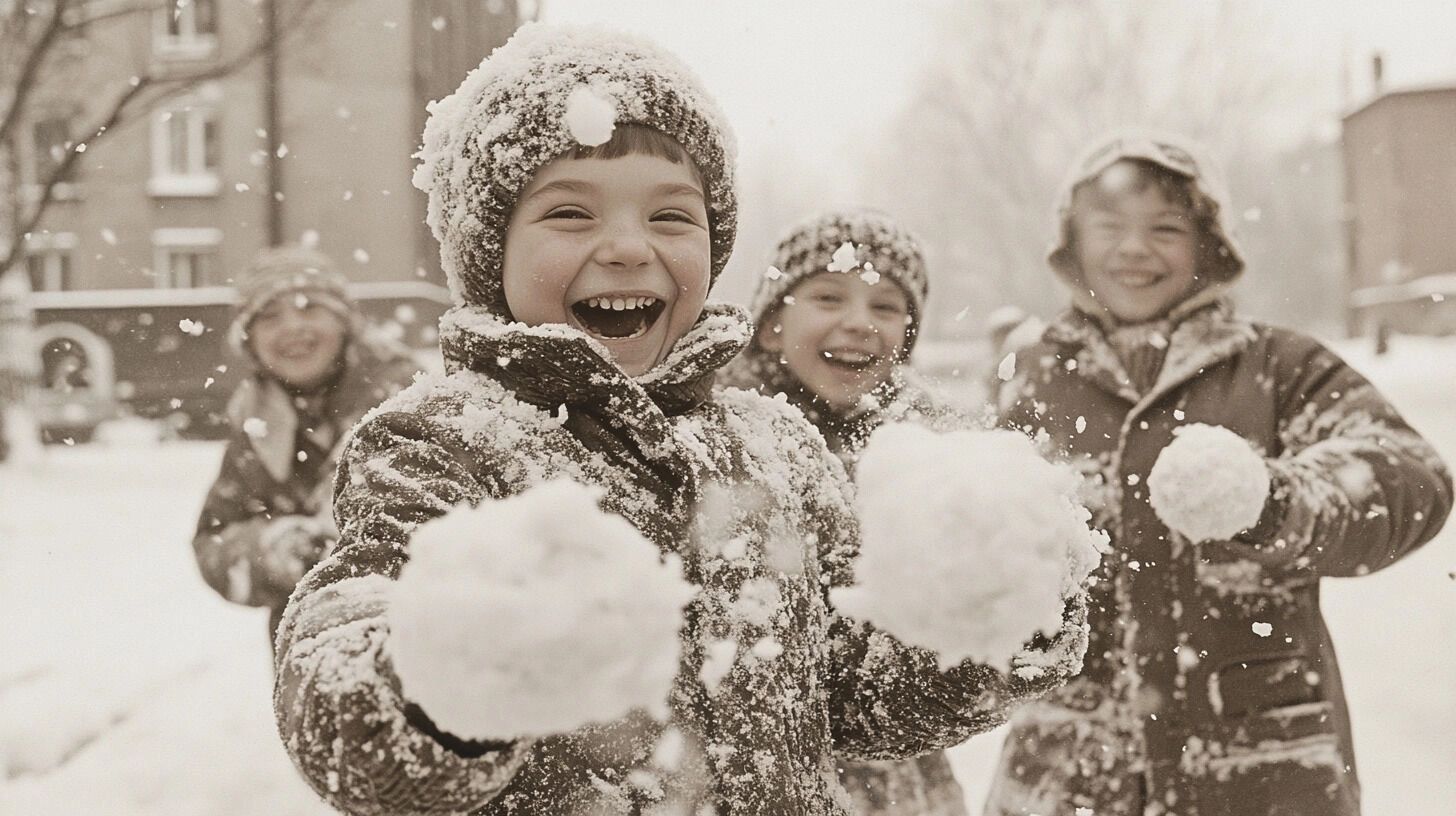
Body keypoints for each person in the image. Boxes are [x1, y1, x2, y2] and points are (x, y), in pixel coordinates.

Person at [272, 25, 1088, 814]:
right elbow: (338, 683)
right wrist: (437, 675)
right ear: (492, 250)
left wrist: (994, 615)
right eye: (570, 214)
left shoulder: (778, 450)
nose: (629, 246)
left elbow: (857, 694)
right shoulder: (441, 444)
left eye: (669, 217)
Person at [984, 131, 1453, 816]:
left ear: (1210, 246)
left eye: (1166, 229)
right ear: (1071, 244)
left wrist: (1273, 500)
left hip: (1259, 772)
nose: (1135, 250)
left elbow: (1410, 475)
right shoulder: (1035, 381)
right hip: (1068, 776)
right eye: (1109, 227)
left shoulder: (1278, 367)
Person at [720, 208, 970, 816]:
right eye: (829, 297)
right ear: (772, 325)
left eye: (885, 307)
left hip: (898, 773)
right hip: (748, 769)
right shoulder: (722, 438)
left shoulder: (930, 449)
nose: (859, 323)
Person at [191, 245, 417, 647]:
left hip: (416, 640)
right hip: (308, 658)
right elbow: (214, 538)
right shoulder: (256, 427)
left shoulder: (408, 400)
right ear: (250, 340)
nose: (293, 327)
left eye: (310, 307)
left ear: (345, 322)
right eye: (270, 317)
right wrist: (273, 550)